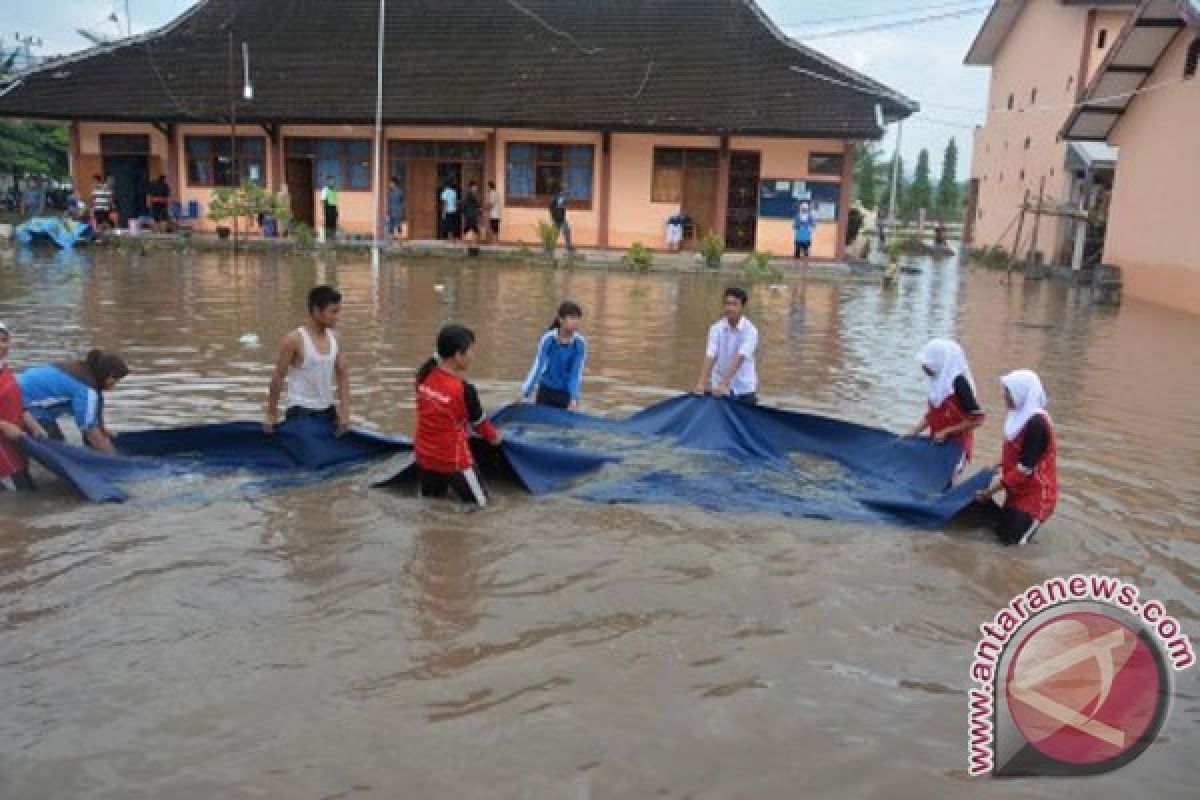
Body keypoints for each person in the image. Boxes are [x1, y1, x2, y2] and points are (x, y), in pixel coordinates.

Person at [414, 324, 503, 509]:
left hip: (424, 458)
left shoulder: (423, 377)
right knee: (484, 509)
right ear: (458, 355)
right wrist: (497, 438)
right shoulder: (464, 390)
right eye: (470, 351)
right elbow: (482, 427)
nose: (473, 356)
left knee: (430, 507)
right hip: (453, 462)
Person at [975, 369, 1057, 546]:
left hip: (1035, 497)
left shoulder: (1037, 423)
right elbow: (1015, 453)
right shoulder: (1018, 416)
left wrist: (989, 493)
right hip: (1016, 492)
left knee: (1014, 548)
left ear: (1021, 393)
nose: (1004, 396)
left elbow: (1024, 468)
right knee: (1000, 537)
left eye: (1008, 392)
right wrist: (995, 465)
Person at [264, 285, 351, 436]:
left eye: (338, 311)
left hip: (328, 411)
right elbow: (278, 377)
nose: (337, 317)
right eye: (333, 312)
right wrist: (271, 414)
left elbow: (342, 376)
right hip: (300, 413)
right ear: (317, 311)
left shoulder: (336, 338)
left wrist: (345, 413)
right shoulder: (294, 340)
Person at [19, 349, 129, 454]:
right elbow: (89, 430)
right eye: (115, 379)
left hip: (18, 392)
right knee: (60, 449)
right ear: (105, 374)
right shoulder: (86, 388)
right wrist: (115, 457)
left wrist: (103, 433)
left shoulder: (83, 372)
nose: (115, 385)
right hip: (24, 404)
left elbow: (94, 415)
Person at [909, 338, 985, 472]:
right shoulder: (935, 382)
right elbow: (933, 415)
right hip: (937, 441)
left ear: (940, 361)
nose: (924, 368)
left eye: (927, 364)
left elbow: (978, 420)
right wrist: (914, 432)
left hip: (956, 447)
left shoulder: (959, 383)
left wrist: (946, 431)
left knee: (947, 479)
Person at [0, 323, 46, 491]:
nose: (1, 345)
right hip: (3, 455)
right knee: (20, 498)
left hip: (15, 444)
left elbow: (17, 403)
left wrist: (34, 425)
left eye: (4, 340)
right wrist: (3, 425)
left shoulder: (4, 369)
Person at [693, 287, 759, 404]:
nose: (730, 308)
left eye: (735, 304)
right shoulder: (716, 328)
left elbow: (740, 357)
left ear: (742, 307)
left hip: (743, 389)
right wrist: (701, 383)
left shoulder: (750, 330)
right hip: (718, 389)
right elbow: (710, 355)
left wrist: (724, 383)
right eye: (727, 304)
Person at [521, 301, 587, 411]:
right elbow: (538, 367)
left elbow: (575, 374)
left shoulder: (580, 343)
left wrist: (574, 398)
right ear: (561, 320)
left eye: (577, 318)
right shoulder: (548, 339)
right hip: (546, 391)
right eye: (572, 318)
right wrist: (525, 392)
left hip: (565, 394)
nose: (576, 322)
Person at [548, 185, 573, 254]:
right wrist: (553, 216)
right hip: (557, 218)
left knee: (566, 231)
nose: (567, 193)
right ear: (562, 191)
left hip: (561, 218)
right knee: (558, 233)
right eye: (565, 191)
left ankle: (569, 247)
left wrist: (564, 206)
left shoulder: (563, 198)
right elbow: (551, 207)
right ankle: (551, 248)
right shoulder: (556, 197)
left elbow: (563, 206)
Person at [462, 182, 481, 256]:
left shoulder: (472, 197)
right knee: (474, 233)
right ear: (471, 188)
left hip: (471, 217)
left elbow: (476, 207)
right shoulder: (470, 197)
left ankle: (471, 248)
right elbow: (476, 207)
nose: (476, 189)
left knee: (469, 232)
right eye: (474, 187)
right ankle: (472, 248)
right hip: (471, 218)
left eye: (476, 188)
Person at [320, 176, 339, 241]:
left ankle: (333, 238)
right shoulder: (325, 189)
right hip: (328, 207)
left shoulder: (334, 189)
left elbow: (335, 201)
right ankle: (328, 238)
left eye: (333, 181)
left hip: (334, 207)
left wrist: (337, 210)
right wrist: (324, 210)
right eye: (330, 181)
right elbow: (323, 200)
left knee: (334, 224)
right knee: (328, 223)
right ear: (327, 182)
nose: (332, 182)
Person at [387, 176, 405, 242]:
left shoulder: (400, 192)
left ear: (394, 183)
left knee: (398, 226)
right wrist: (388, 212)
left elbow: (403, 202)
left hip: (398, 212)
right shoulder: (390, 193)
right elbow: (389, 203)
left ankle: (400, 241)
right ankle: (391, 241)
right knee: (390, 227)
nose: (390, 184)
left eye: (391, 183)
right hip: (391, 212)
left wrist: (401, 211)